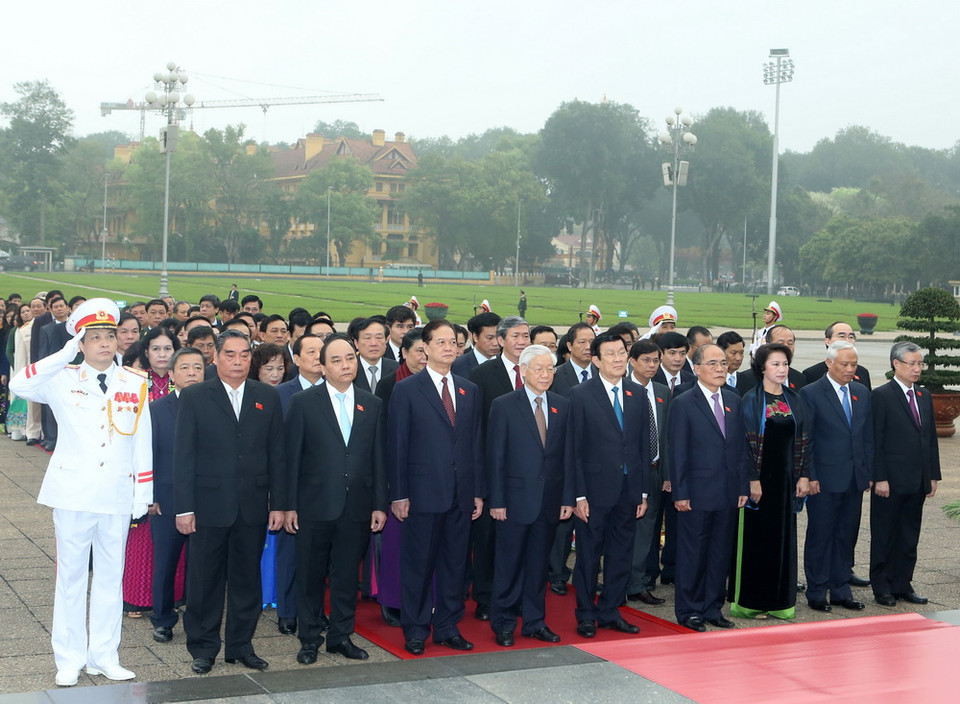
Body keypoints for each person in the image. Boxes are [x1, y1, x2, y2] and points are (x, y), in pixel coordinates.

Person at [10, 298, 153, 687]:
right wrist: (63, 354)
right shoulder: (62, 377)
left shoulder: (135, 383)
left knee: (110, 577)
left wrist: (143, 494)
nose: (105, 343)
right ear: (81, 342)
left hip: (117, 495)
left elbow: (142, 440)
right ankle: (69, 658)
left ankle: (105, 655)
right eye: (95, 337)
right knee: (72, 578)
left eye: (110, 335)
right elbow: (19, 383)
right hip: (73, 492)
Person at [174, 330, 288, 675]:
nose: (237, 361)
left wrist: (279, 504)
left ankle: (241, 645)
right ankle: (204, 647)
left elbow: (277, 455)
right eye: (230, 355)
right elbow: (184, 456)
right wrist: (184, 507)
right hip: (208, 506)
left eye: (243, 355)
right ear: (216, 358)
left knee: (245, 581)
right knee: (205, 581)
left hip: (252, 506)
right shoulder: (195, 396)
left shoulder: (266, 397)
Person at [285, 334, 388, 663]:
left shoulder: (371, 404)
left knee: (346, 576)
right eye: (337, 360)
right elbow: (291, 458)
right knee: (311, 576)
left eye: (350, 359)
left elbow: (378, 458)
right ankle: (309, 639)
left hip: (356, 505)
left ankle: (341, 636)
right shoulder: (304, 402)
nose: (346, 365)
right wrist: (288, 505)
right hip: (314, 505)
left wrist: (379, 504)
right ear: (323, 367)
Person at [387, 319, 484, 656]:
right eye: (440, 342)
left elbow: (474, 446)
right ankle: (414, 629)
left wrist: (477, 493)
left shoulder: (468, 389)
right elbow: (397, 445)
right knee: (418, 566)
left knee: (455, 565)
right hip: (422, 495)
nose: (448, 348)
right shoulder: (407, 389)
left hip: (461, 495)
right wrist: (399, 494)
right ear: (424, 348)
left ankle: (446, 626)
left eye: (453, 343)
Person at [487, 344, 573, 646]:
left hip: (549, 502)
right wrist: (496, 500)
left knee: (539, 567)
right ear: (523, 371)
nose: (545, 374)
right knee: (508, 566)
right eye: (538, 369)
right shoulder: (504, 405)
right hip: (512, 502)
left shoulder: (561, 405)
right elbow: (495, 457)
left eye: (549, 368)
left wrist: (567, 498)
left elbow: (567, 457)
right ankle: (504, 623)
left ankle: (535, 622)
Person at [569, 331, 650, 638]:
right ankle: (586, 613)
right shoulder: (581, 394)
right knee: (588, 556)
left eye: (621, 353)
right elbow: (574, 450)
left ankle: (611, 610)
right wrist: (578, 494)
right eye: (611, 354)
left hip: (628, 492)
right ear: (596, 360)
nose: (618, 359)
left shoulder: (636, 393)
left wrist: (642, 491)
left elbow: (642, 446)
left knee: (620, 554)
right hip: (593, 491)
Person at [668, 343, 749, 632]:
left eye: (723, 364)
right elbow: (677, 452)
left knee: (719, 553)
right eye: (713, 364)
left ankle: (712, 607)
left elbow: (739, 449)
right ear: (698, 368)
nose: (719, 369)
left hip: (727, 492)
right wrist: (681, 492)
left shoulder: (733, 400)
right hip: (696, 493)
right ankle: (689, 610)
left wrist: (742, 486)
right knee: (693, 553)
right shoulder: (683, 402)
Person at [730, 343, 810, 620]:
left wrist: (804, 475)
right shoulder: (751, 399)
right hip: (760, 482)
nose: (781, 369)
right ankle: (751, 602)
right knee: (756, 541)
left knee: (782, 541)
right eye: (775, 364)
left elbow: (805, 440)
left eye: (785, 364)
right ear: (762, 367)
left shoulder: (795, 399)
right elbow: (743, 445)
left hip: (786, 483)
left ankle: (780, 602)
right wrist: (752, 479)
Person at [799, 341, 873, 613]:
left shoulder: (861, 392)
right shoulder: (811, 393)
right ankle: (817, 590)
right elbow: (807, 438)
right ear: (829, 363)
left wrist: (868, 473)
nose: (850, 369)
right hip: (824, 479)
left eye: (853, 364)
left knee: (846, 535)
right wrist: (810, 475)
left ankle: (841, 588)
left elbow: (867, 437)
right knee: (821, 534)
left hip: (854, 478)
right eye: (844, 364)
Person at [467, 316, 530, 622]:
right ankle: (485, 596)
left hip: (528, 475)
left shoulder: (538, 372)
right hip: (494, 471)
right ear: (501, 340)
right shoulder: (481, 374)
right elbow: (475, 430)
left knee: (521, 540)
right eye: (515, 336)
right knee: (489, 538)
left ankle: (515, 594)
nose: (521, 341)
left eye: (526, 336)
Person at [870, 341, 940, 607]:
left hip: (917, 479)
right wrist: (880, 477)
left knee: (909, 535)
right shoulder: (882, 396)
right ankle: (882, 586)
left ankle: (903, 583)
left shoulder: (923, 396)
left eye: (919, 363)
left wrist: (932, 474)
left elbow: (929, 439)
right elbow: (876, 439)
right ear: (896, 364)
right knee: (885, 533)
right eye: (911, 363)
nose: (917, 368)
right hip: (890, 480)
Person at [149, 347, 205, 644]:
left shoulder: (214, 407)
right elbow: (148, 456)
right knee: (166, 563)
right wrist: (150, 495)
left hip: (205, 500)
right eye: (185, 368)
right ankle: (162, 618)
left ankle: (197, 618)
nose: (192, 373)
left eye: (198, 367)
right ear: (172, 375)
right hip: (167, 499)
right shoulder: (157, 410)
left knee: (201, 565)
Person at [122, 328, 180, 617]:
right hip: (140, 465)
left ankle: (173, 598)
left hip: (172, 470)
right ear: (146, 352)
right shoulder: (133, 381)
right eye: (156, 349)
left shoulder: (181, 382)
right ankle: (135, 598)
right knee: (140, 542)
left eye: (167, 349)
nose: (161, 355)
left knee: (173, 547)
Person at [372, 327, 427, 627]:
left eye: (426, 350)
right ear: (403, 353)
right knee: (397, 544)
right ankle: (392, 601)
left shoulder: (442, 384)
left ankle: (424, 600)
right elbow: (382, 435)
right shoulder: (390, 384)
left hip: (431, 477)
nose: (423, 356)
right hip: (399, 477)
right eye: (417, 350)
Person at [625, 339, 671, 606]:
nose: (652, 365)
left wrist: (668, 474)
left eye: (656, 360)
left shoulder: (663, 392)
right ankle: (619, 581)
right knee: (622, 530)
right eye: (646, 360)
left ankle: (638, 584)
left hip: (655, 471)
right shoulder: (624, 390)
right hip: (628, 474)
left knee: (647, 532)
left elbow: (667, 437)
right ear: (633, 361)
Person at [802, 322, 872, 390]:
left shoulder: (862, 373)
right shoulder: (812, 374)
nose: (847, 340)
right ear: (828, 341)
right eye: (842, 336)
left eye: (851, 337)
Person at [352, 318, 397, 394]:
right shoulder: (349, 368)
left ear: (386, 341)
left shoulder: (397, 368)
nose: (374, 343)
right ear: (356, 343)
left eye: (379, 338)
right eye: (367, 338)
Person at [451, 312, 502, 377]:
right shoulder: (458, 366)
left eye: (498, 337)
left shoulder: (506, 364)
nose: (495, 343)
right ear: (475, 337)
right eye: (490, 338)